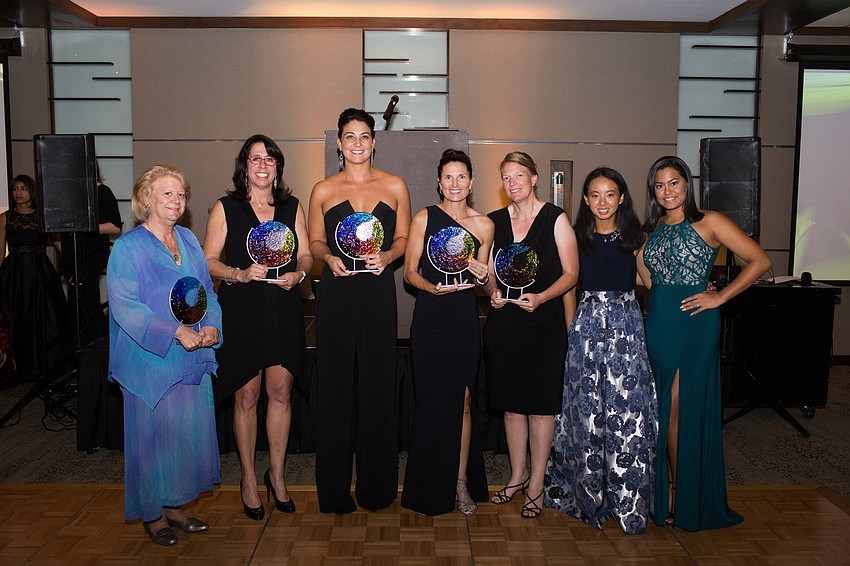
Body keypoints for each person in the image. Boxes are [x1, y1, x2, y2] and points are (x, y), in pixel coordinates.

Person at [637, 156, 772, 531]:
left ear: (687, 183)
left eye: (674, 183)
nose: (667, 191)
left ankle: (682, 492)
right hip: (660, 324)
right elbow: (649, 280)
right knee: (664, 409)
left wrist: (719, 296)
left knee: (679, 407)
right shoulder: (653, 229)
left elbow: (760, 261)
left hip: (696, 323)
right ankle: (671, 488)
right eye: (660, 185)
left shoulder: (710, 221)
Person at [107, 164, 222, 546]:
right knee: (151, 443)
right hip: (150, 361)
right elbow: (125, 307)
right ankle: (153, 515)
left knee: (182, 441)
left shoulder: (188, 239)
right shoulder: (127, 248)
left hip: (189, 358)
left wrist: (212, 327)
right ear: (146, 199)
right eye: (167, 194)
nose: (176, 201)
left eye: (181, 194)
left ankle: (175, 507)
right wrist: (175, 331)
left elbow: (206, 291)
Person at [308, 108, 411, 514]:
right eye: (349, 136)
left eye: (364, 136)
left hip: (377, 294)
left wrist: (388, 255)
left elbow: (404, 238)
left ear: (373, 142)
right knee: (334, 389)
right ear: (339, 143)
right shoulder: (323, 189)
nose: (357, 143)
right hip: (336, 294)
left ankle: (377, 489)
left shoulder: (395, 185)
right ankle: (333, 493)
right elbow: (314, 242)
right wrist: (327, 258)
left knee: (377, 387)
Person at [544, 167, 658, 534]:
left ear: (622, 198)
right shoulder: (577, 237)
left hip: (626, 328)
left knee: (626, 410)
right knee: (587, 411)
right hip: (586, 328)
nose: (602, 202)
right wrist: (571, 331)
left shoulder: (637, 238)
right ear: (585, 199)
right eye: (595, 195)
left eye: (610, 194)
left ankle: (627, 497)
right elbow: (568, 289)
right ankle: (588, 494)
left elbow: (648, 282)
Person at [204, 134, 312, 520]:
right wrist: (238, 273)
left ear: (278, 166)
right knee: (246, 397)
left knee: (281, 393)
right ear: (244, 166)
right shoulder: (226, 207)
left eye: (270, 159)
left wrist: (300, 274)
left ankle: (277, 476)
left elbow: (306, 254)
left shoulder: (291, 206)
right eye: (255, 159)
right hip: (242, 309)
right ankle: (249, 479)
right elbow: (208, 260)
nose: (263, 165)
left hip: (282, 307)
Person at [482, 151, 579, 519]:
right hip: (505, 326)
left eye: (519, 175)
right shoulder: (493, 221)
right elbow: (488, 273)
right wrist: (491, 290)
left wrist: (541, 297)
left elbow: (571, 274)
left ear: (535, 178)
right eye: (506, 177)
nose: (513, 183)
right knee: (511, 409)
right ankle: (517, 476)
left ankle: (536, 484)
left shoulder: (555, 218)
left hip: (543, 326)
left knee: (540, 410)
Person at [400, 149, 494, 516]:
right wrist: (430, 287)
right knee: (430, 400)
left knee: (464, 401)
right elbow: (410, 272)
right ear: (439, 182)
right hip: (430, 316)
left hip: (463, 320)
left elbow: (483, 280)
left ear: (471, 182)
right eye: (448, 177)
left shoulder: (484, 225)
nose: (455, 184)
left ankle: (460, 480)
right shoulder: (424, 217)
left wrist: (484, 275)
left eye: (461, 177)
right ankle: (429, 483)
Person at [0, 175, 68, 382]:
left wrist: (74, 264)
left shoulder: (43, 216)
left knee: (45, 317)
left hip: (40, 272)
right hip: (13, 274)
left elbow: (58, 244)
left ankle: (45, 366)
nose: (18, 193)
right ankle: (16, 368)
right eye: (15, 189)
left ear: (32, 191)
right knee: (14, 317)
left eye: (23, 188)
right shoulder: (4, 218)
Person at [60, 165, 122, 344]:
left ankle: (92, 342)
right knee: (74, 299)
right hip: (72, 253)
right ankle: (76, 344)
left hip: (93, 252)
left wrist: (86, 227)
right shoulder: (70, 193)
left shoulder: (103, 192)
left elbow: (115, 226)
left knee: (87, 298)